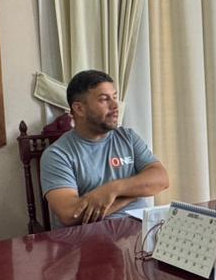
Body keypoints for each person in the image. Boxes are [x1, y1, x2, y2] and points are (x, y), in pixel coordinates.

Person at [41, 70, 170, 225]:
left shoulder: (127, 137)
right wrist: (134, 194)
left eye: (115, 97)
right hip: (93, 238)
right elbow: (70, 215)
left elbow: (161, 179)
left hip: (142, 230)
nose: (115, 106)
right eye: (104, 99)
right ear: (79, 109)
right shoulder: (57, 155)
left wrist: (112, 190)